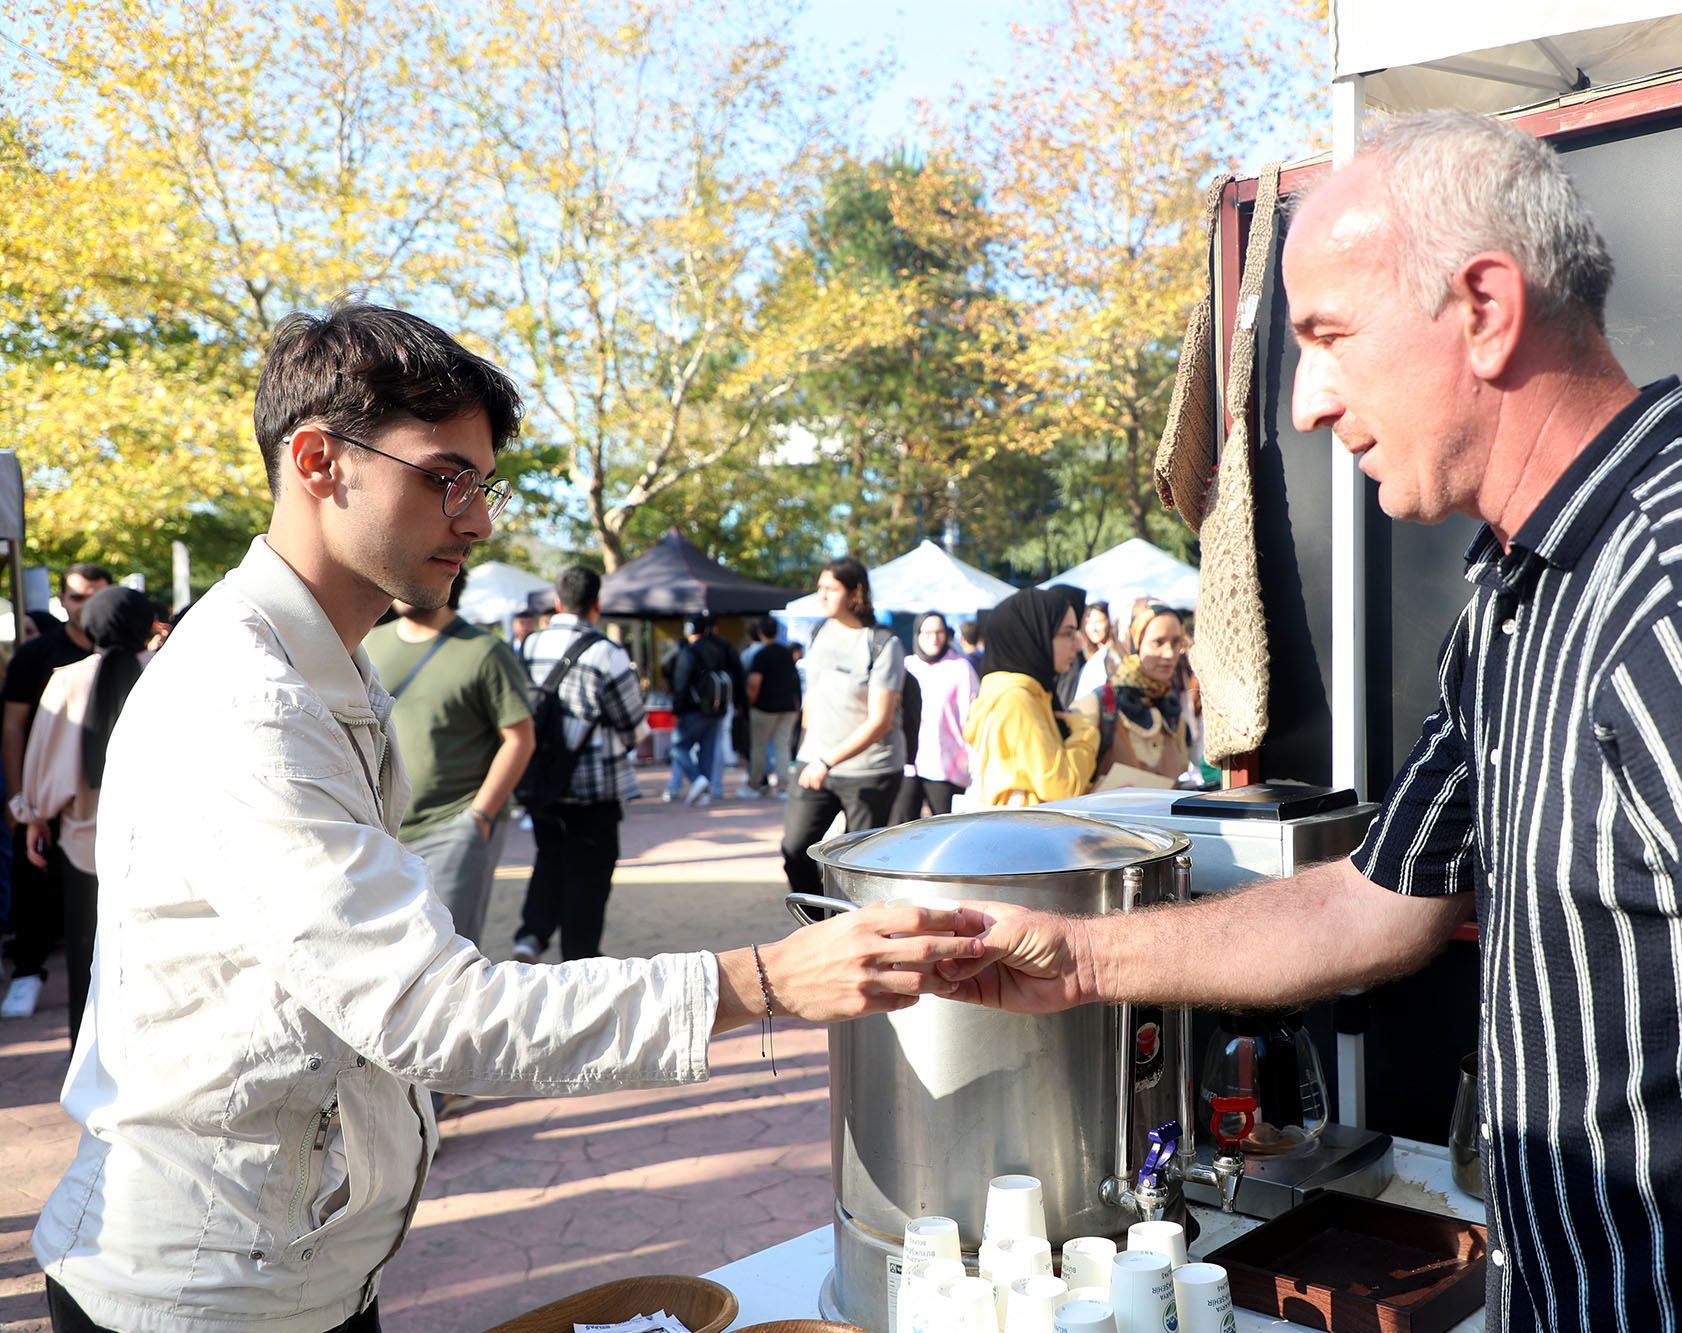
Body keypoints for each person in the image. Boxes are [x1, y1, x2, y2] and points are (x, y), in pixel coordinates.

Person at [942, 111, 1682, 1332]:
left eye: (1328, 337)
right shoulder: (1515, 599)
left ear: (1484, 309)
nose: (1305, 402)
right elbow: (1372, 901)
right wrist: (1078, 960)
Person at [32, 302, 979, 1333]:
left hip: (291, 1267)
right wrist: (763, 980)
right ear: (318, 461)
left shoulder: (318, 667)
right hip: (202, 1295)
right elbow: (432, 1014)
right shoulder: (250, 696)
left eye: (482, 485)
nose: (477, 521)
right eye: (445, 478)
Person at [7, 587, 152, 1045]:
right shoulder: (167, 673)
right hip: (157, 843)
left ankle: (88, 1063)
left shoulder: (67, 679)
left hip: (81, 843)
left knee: (86, 963)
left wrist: (32, 817)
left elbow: (47, 764)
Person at [363, 568, 534, 955]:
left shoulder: (484, 650)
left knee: (447, 958)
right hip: (381, 829)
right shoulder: (368, 644)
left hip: (454, 825)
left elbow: (520, 736)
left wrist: (480, 817)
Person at [513, 566, 644, 961]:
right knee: (590, 871)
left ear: (557, 603)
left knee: (549, 854)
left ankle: (531, 936)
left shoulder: (529, 646)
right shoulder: (607, 652)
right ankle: (579, 957)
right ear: (596, 605)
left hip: (539, 777)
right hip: (595, 784)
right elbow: (632, 722)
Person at [0, 562, 112, 1021]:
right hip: (52, 795)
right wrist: (19, 799)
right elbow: (12, 727)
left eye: (95, 597)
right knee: (37, 887)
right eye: (77, 596)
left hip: (110, 797)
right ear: (63, 600)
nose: (84, 606)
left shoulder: (130, 653)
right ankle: (28, 973)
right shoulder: (38, 655)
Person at [780, 558, 904, 897]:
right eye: (819, 588)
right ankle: (821, 926)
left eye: (830, 589)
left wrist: (827, 761)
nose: (821, 596)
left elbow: (879, 722)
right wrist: (803, 755)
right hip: (813, 764)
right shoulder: (818, 632)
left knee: (858, 865)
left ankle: (856, 931)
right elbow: (813, 699)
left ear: (855, 594)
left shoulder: (883, 643)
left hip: (869, 771)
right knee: (795, 850)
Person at [961, 587, 1096, 807]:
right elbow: (1064, 787)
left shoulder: (1021, 691)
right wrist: (1086, 731)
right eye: (1067, 633)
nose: (1078, 644)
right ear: (1035, 634)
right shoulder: (1017, 700)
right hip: (1027, 833)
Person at [1083, 603, 1190, 791]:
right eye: (1158, 642)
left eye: (1176, 643)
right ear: (1132, 643)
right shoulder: (1098, 705)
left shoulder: (1171, 711)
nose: (1169, 653)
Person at [891, 611, 981, 822]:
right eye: (927, 632)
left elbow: (973, 716)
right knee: (899, 829)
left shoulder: (960, 667)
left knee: (945, 829)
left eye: (939, 632)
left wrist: (975, 759)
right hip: (909, 763)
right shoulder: (907, 666)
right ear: (917, 634)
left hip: (946, 764)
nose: (934, 638)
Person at [669, 613, 743, 808]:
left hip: (693, 709)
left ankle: (697, 780)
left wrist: (677, 709)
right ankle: (706, 792)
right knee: (708, 751)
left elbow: (681, 683)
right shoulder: (719, 649)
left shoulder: (689, 652)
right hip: (717, 708)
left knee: (678, 747)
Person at [743, 614, 800, 799]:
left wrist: (749, 704)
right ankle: (783, 786)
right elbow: (795, 681)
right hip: (788, 707)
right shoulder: (786, 653)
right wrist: (797, 705)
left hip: (764, 708)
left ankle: (755, 785)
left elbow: (753, 684)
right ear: (776, 631)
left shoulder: (760, 655)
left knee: (759, 747)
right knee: (782, 746)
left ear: (760, 632)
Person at [1070, 600, 1117, 702]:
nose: (1093, 628)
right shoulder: (1087, 654)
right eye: (1088, 622)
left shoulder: (1114, 654)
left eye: (1098, 622)